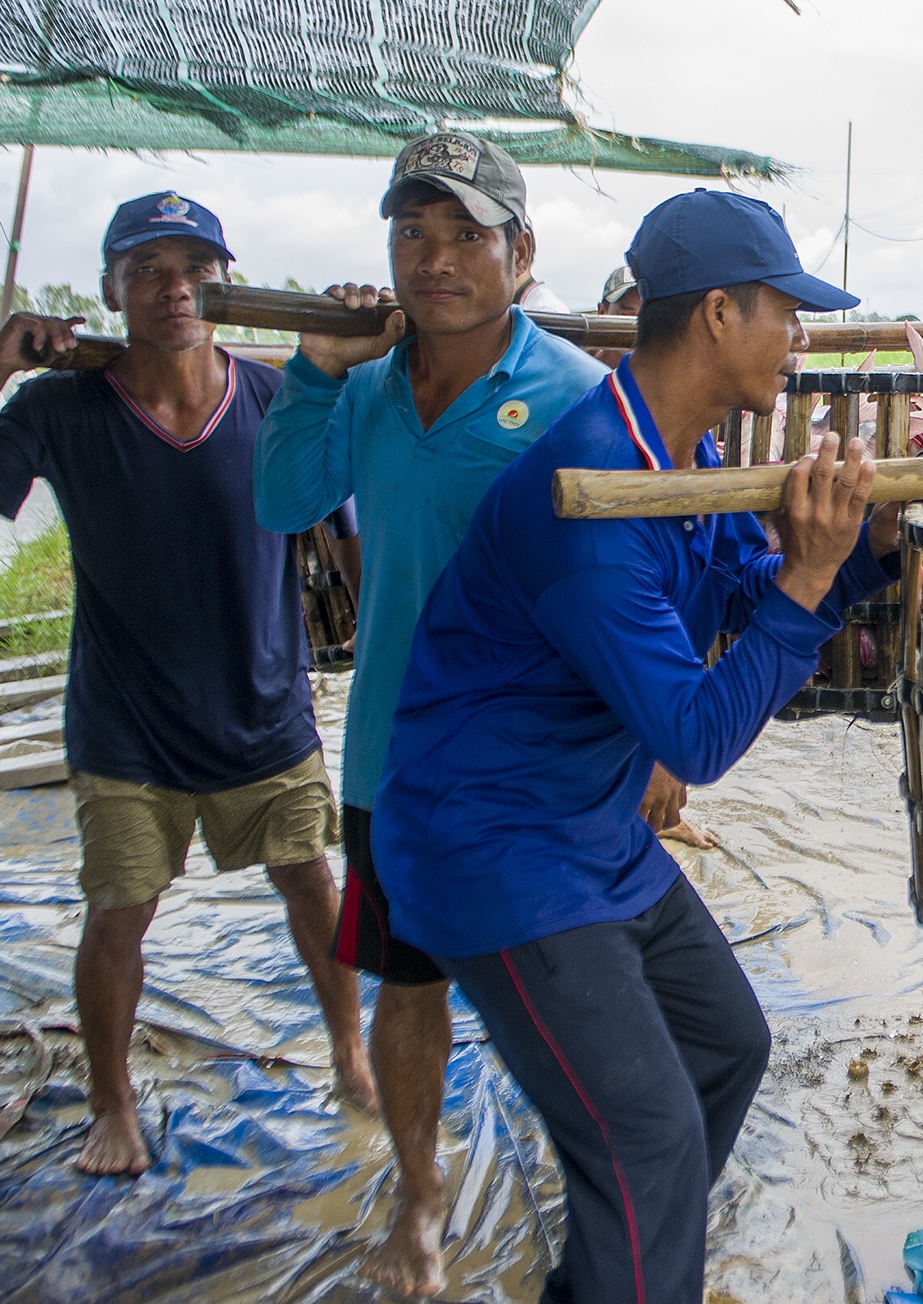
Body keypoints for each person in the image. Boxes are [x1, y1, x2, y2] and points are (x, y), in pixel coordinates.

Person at [371, 188, 893, 1302]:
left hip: (584, 828)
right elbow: (696, 736)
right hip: (497, 846)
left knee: (725, 1046)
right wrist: (808, 578)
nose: (799, 338)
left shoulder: (680, 452)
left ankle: (621, 1271)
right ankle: (640, 1258)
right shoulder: (590, 498)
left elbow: (744, 584)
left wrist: (858, 555)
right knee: (650, 1137)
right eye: (785, 312)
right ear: (717, 313)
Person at [0, 193, 374, 1175]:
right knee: (120, 911)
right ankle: (112, 1104)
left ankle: (349, 1049)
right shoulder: (61, 406)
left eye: (196, 269)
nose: (175, 288)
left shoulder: (272, 399)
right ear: (110, 290)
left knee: (309, 880)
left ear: (225, 281)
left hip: (264, 709)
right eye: (149, 269)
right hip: (127, 725)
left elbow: (352, 548)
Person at [253, 131, 624, 1296]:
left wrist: (652, 751)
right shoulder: (358, 391)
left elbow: (636, 582)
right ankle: (420, 1195)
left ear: (522, 254)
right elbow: (281, 497)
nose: (435, 258)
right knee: (407, 990)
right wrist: (313, 366)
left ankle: (612, 1195)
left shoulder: (572, 395)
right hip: (395, 763)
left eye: (466, 233)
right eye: (411, 232)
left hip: (533, 773)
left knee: (577, 997)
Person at [593, 264, 641, 368]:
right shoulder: (582, 374)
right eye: (627, 316)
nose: (637, 327)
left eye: (645, 317)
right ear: (602, 313)